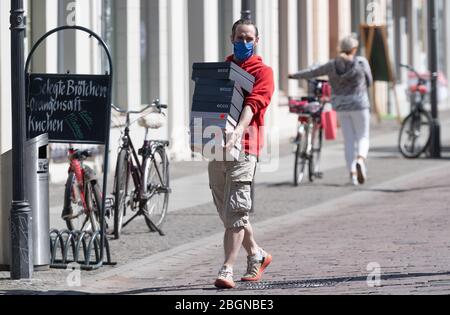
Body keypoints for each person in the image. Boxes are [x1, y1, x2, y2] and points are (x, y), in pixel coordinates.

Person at [209, 19, 274, 289]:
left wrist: (238, 131)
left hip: (245, 147)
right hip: (215, 145)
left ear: (256, 41)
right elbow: (208, 100)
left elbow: (253, 103)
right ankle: (257, 254)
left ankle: (227, 269)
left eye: (249, 38)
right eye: (239, 37)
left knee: (236, 209)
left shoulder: (263, 72)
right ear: (231, 37)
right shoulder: (223, 69)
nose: (244, 42)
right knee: (228, 212)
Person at [289, 35, 373, 186]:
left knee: (348, 141)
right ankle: (360, 159)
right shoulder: (361, 62)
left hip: (340, 105)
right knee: (363, 136)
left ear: (340, 48)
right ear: (354, 49)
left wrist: (294, 75)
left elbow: (313, 72)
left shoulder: (332, 64)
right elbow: (369, 81)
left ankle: (353, 174)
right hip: (359, 104)